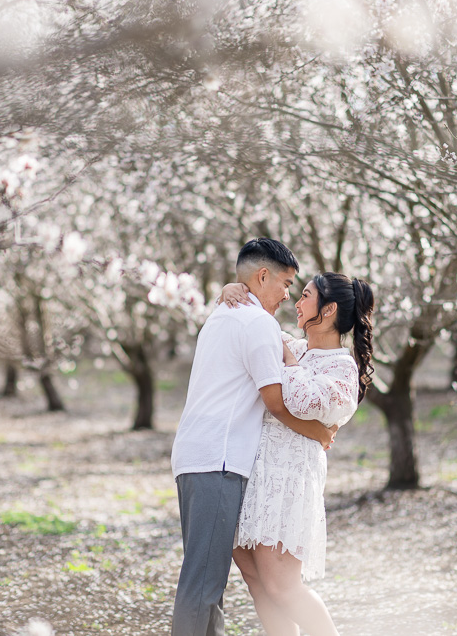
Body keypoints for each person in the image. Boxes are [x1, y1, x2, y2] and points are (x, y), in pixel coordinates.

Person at [170, 238, 335, 636]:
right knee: (202, 586)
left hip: (195, 458)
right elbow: (276, 402)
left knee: (206, 580)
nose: (286, 294)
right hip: (219, 461)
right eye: (284, 283)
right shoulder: (258, 322)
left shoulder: (220, 314)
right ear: (262, 276)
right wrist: (319, 431)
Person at [220, 271, 375, 636]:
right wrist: (232, 290)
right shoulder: (296, 346)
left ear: (329, 308)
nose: (296, 301)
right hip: (255, 475)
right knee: (257, 581)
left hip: (288, 483)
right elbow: (254, 325)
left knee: (282, 587)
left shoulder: (342, 367)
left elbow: (303, 401)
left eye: (306, 295)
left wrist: (287, 357)